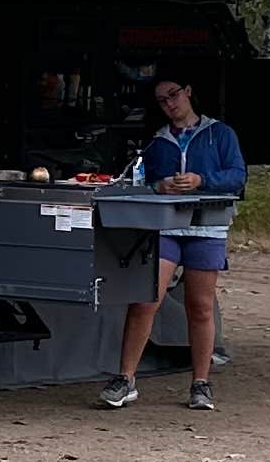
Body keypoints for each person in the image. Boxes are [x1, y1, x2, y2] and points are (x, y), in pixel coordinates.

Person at [100, 72, 244, 412]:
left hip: (207, 227)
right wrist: (158, 187)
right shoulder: (157, 141)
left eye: (173, 95)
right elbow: (139, 181)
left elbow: (238, 177)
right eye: (162, 100)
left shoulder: (220, 134)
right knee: (145, 298)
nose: (169, 104)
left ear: (188, 91)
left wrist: (201, 180)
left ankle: (201, 382)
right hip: (164, 227)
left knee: (201, 306)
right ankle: (126, 378)